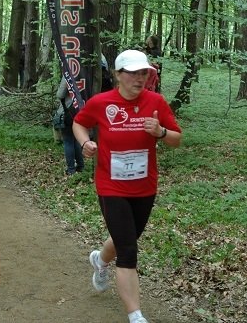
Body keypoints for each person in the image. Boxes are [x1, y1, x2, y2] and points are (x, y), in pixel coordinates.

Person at [72, 49, 182, 323]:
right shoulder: (101, 102)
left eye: (144, 72)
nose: (140, 78)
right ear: (118, 75)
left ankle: (100, 260)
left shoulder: (156, 102)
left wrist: (161, 132)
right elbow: (79, 123)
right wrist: (85, 143)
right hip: (111, 186)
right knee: (129, 250)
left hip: (145, 187)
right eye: (133, 73)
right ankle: (136, 315)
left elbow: (177, 139)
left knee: (127, 239)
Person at [56, 77, 85, 176]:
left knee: (68, 140)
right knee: (75, 139)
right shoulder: (84, 71)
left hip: (68, 111)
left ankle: (71, 169)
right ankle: (81, 166)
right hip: (81, 110)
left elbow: (60, 95)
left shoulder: (68, 73)